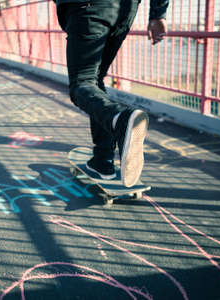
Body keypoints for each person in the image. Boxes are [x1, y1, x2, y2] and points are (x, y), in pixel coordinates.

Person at [55, 0, 168, 187]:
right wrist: (157, 14)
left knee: (81, 84)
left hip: (87, 7)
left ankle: (120, 119)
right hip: (125, 11)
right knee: (95, 80)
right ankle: (103, 160)